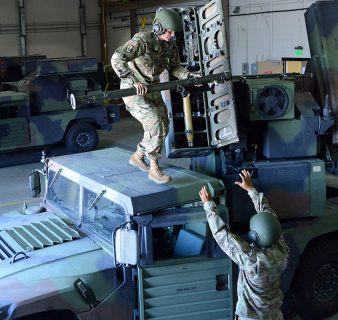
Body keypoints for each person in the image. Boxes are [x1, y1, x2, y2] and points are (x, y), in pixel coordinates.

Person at [111, 7, 194, 184]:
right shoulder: (143, 41)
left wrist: (189, 76)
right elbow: (117, 58)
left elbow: (174, 67)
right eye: (169, 31)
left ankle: (137, 156)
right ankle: (154, 168)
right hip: (134, 91)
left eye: (174, 32)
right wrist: (133, 80)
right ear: (158, 28)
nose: (172, 35)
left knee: (164, 125)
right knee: (155, 123)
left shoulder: (170, 44)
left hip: (152, 89)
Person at [199, 170, 289, 320]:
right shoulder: (282, 251)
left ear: (254, 236)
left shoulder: (252, 260)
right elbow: (269, 217)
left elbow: (222, 235)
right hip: (273, 314)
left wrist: (208, 205)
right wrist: (250, 189)